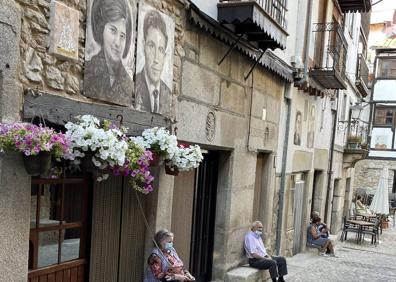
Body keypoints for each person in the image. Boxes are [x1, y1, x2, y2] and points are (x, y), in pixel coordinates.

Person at [84, 0, 134, 106]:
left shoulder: (128, 84)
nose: (117, 43)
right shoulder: (89, 72)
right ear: (102, 29)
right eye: (113, 30)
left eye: (122, 36)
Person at [135, 9, 171, 115]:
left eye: (160, 50)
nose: (156, 59)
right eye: (151, 46)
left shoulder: (167, 93)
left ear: (164, 56)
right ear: (143, 46)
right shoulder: (134, 86)